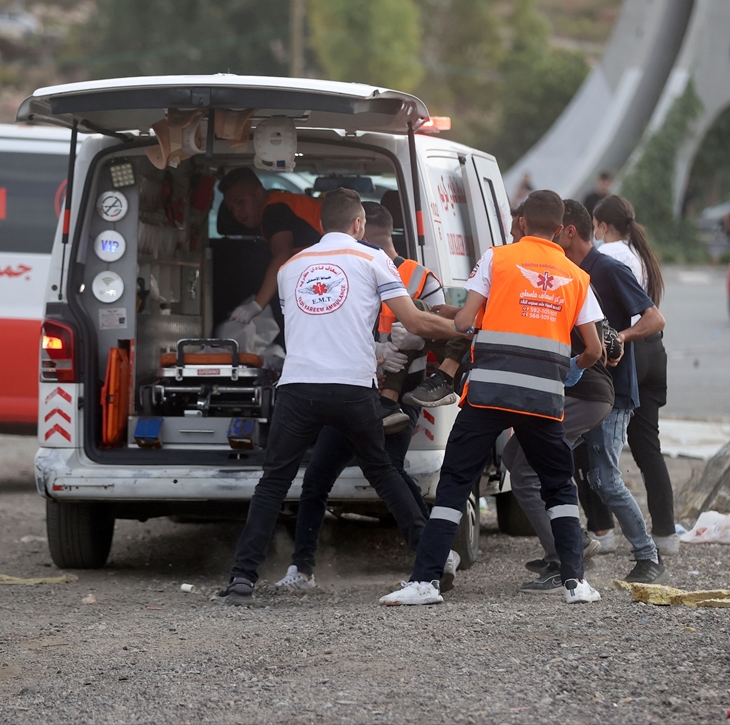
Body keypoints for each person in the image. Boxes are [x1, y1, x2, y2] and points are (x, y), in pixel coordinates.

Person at [218, 188, 459, 605]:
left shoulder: (292, 265)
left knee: (273, 482)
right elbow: (415, 321)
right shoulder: (373, 259)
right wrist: (466, 333)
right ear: (359, 224)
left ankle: (242, 579)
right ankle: (431, 561)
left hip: (298, 387)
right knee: (382, 471)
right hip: (351, 386)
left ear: (320, 223)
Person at [379, 190, 607, 606]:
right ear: (559, 229)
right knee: (558, 486)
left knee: (454, 484)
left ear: (521, 223)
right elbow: (594, 350)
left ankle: (426, 582)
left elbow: (465, 321)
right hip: (543, 400)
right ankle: (576, 582)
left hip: (488, 394)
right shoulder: (577, 276)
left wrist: (469, 319)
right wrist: (571, 368)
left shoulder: (497, 258)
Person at [499, 206, 614, 595]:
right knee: (513, 460)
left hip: (582, 393)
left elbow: (597, 347)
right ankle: (568, 543)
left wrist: (572, 368)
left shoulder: (558, 275)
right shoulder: (557, 273)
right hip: (574, 393)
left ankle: (566, 557)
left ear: (524, 227)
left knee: (529, 473)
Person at [556, 199, 670, 585]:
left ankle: (648, 555)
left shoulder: (608, 268)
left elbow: (654, 318)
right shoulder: (568, 271)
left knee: (605, 478)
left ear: (570, 230)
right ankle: (564, 551)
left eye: (555, 229)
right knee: (554, 464)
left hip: (615, 392)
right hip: (580, 388)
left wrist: (620, 336)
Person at [592, 195, 677, 555]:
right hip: (653, 352)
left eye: (595, 226)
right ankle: (665, 534)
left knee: (592, 442)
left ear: (603, 227)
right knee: (647, 447)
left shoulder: (608, 257)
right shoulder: (640, 255)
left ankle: (602, 530)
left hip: (625, 353)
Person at [360, 202, 470, 414]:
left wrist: (419, 336)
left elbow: (439, 333)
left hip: (406, 385)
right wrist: (375, 354)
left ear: (362, 239)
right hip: (360, 382)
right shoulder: (350, 276)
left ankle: (389, 399)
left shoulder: (421, 278)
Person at [219, 168, 325, 324]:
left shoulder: (273, 211)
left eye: (241, 202)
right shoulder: (280, 202)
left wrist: (257, 305)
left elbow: (282, 255)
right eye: (231, 209)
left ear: (260, 193)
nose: (237, 213)